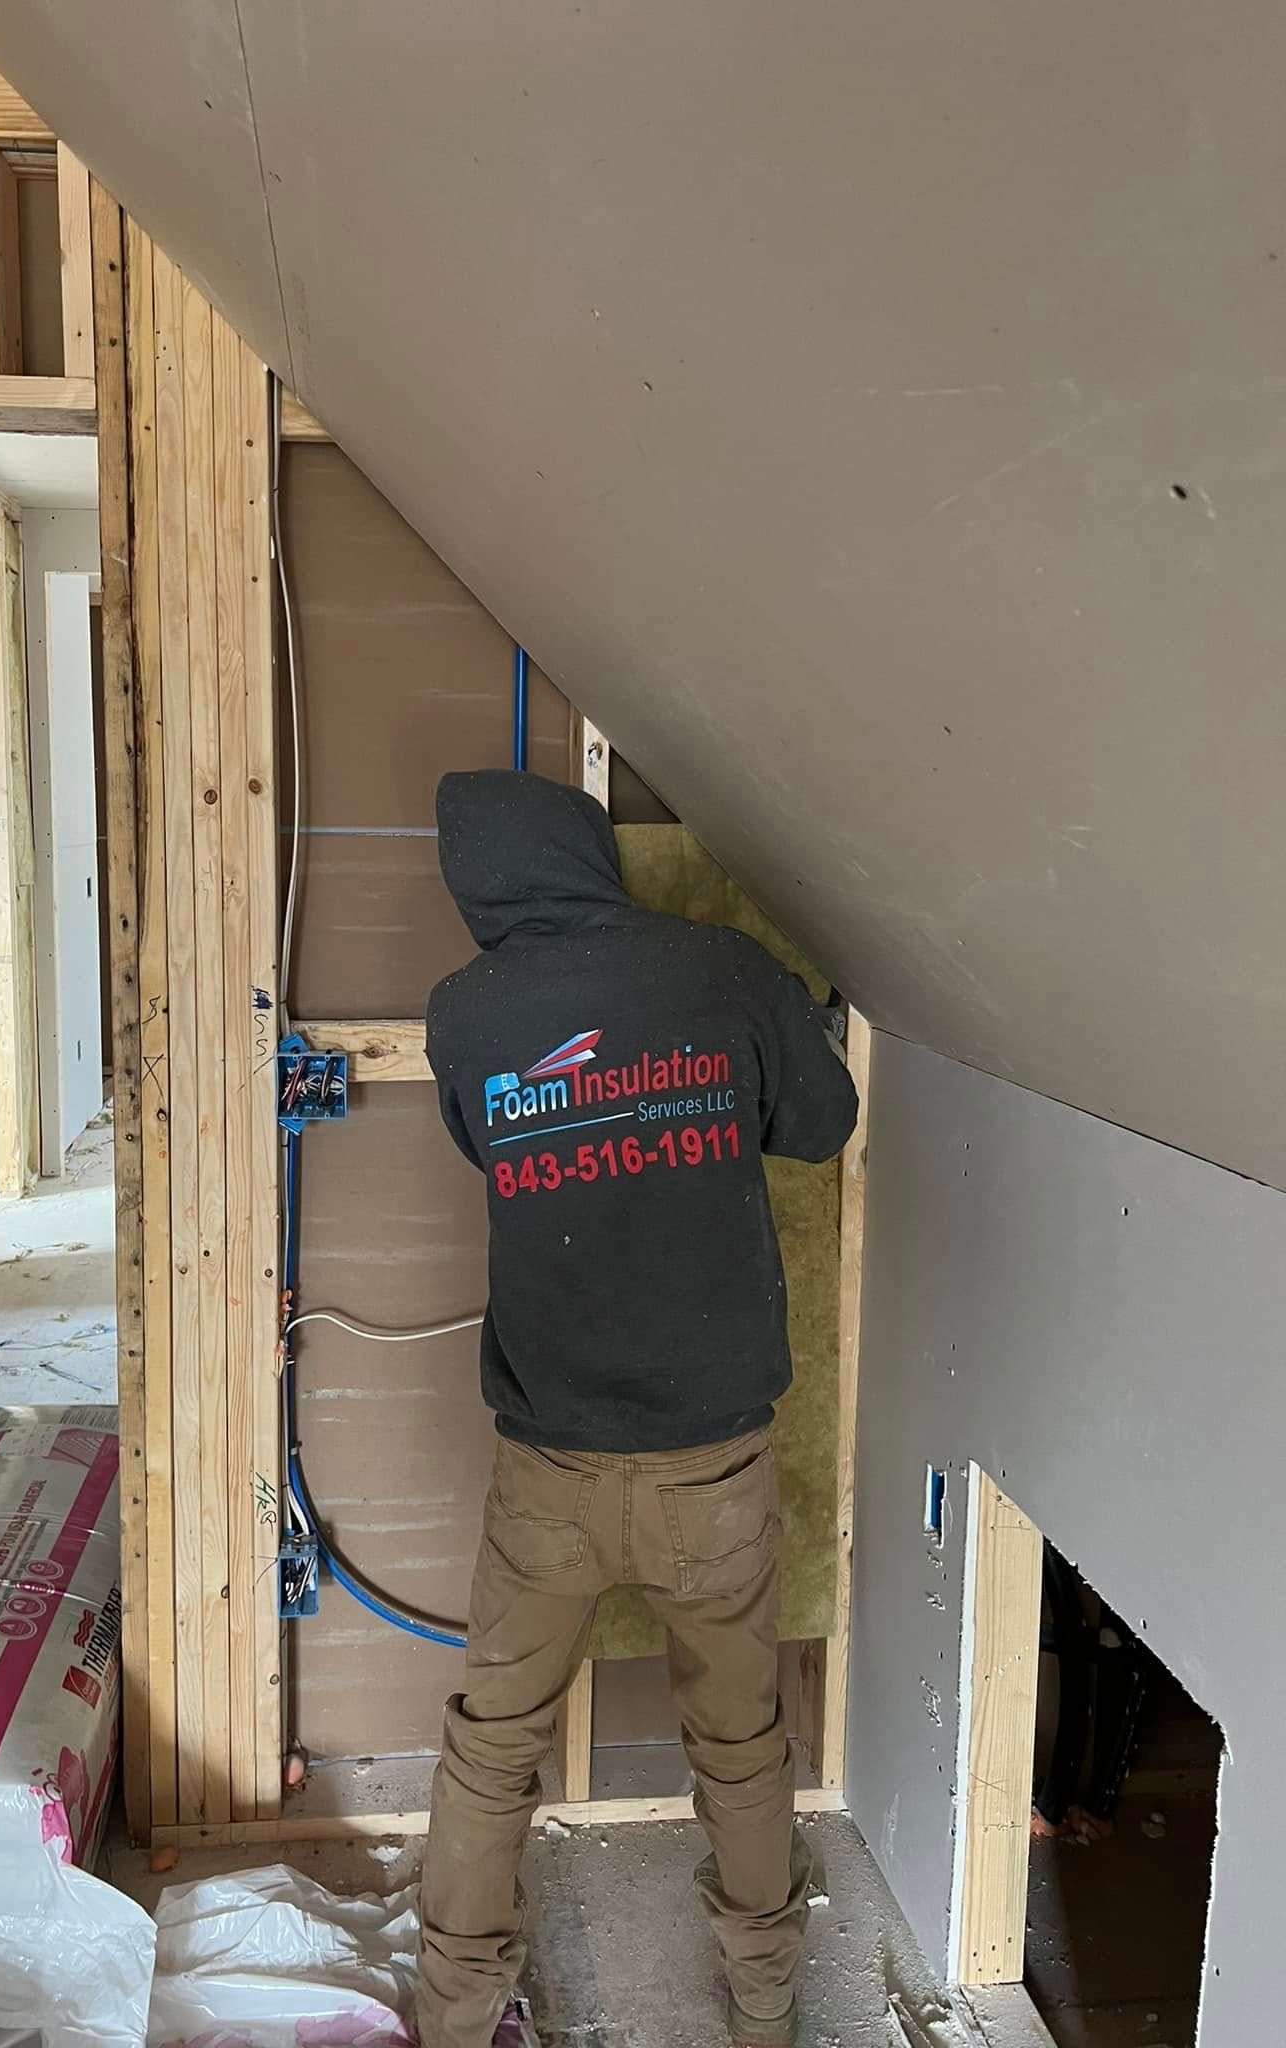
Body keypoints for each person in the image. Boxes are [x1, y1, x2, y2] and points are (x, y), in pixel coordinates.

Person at [415, 769, 859, 2048]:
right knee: (740, 1733)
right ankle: (764, 2007)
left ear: (480, 878)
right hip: (712, 1468)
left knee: (492, 1746)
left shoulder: (468, 1014)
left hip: (548, 1469)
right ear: (586, 854)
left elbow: (485, 1142)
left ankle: (450, 2016)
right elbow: (823, 1123)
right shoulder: (715, 972)